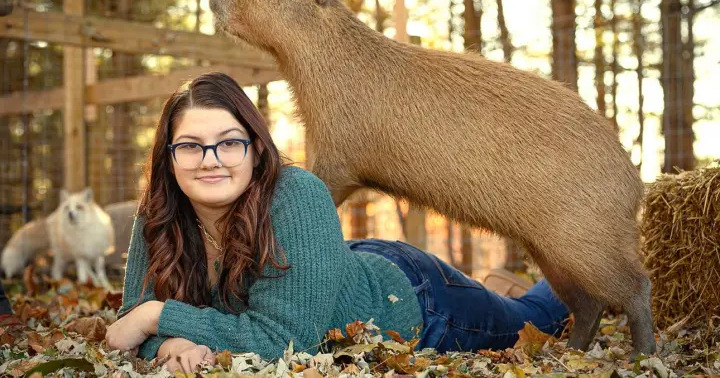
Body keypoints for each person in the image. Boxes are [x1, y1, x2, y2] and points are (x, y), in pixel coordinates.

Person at [105, 72, 569, 373]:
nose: (211, 161)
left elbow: (284, 341)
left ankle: (564, 276)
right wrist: (169, 346)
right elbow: (127, 329)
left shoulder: (295, 192)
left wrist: (160, 317)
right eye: (189, 145)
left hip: (412, 302)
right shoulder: (158, 213)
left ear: (255, 147)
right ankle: (494, 286)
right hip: (334, 269)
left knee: (538, 318)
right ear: (168, 158)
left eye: (229, 142)